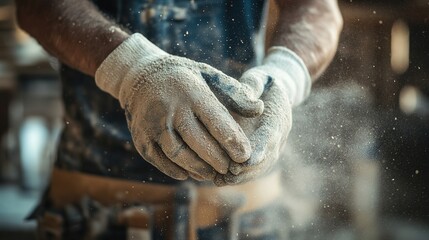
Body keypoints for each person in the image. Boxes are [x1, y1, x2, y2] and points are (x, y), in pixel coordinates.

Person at [15, 0, 342, 239]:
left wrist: (284, 76)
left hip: (249, 220)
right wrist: (132, 70)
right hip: (96, 217)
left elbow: (316, 9)